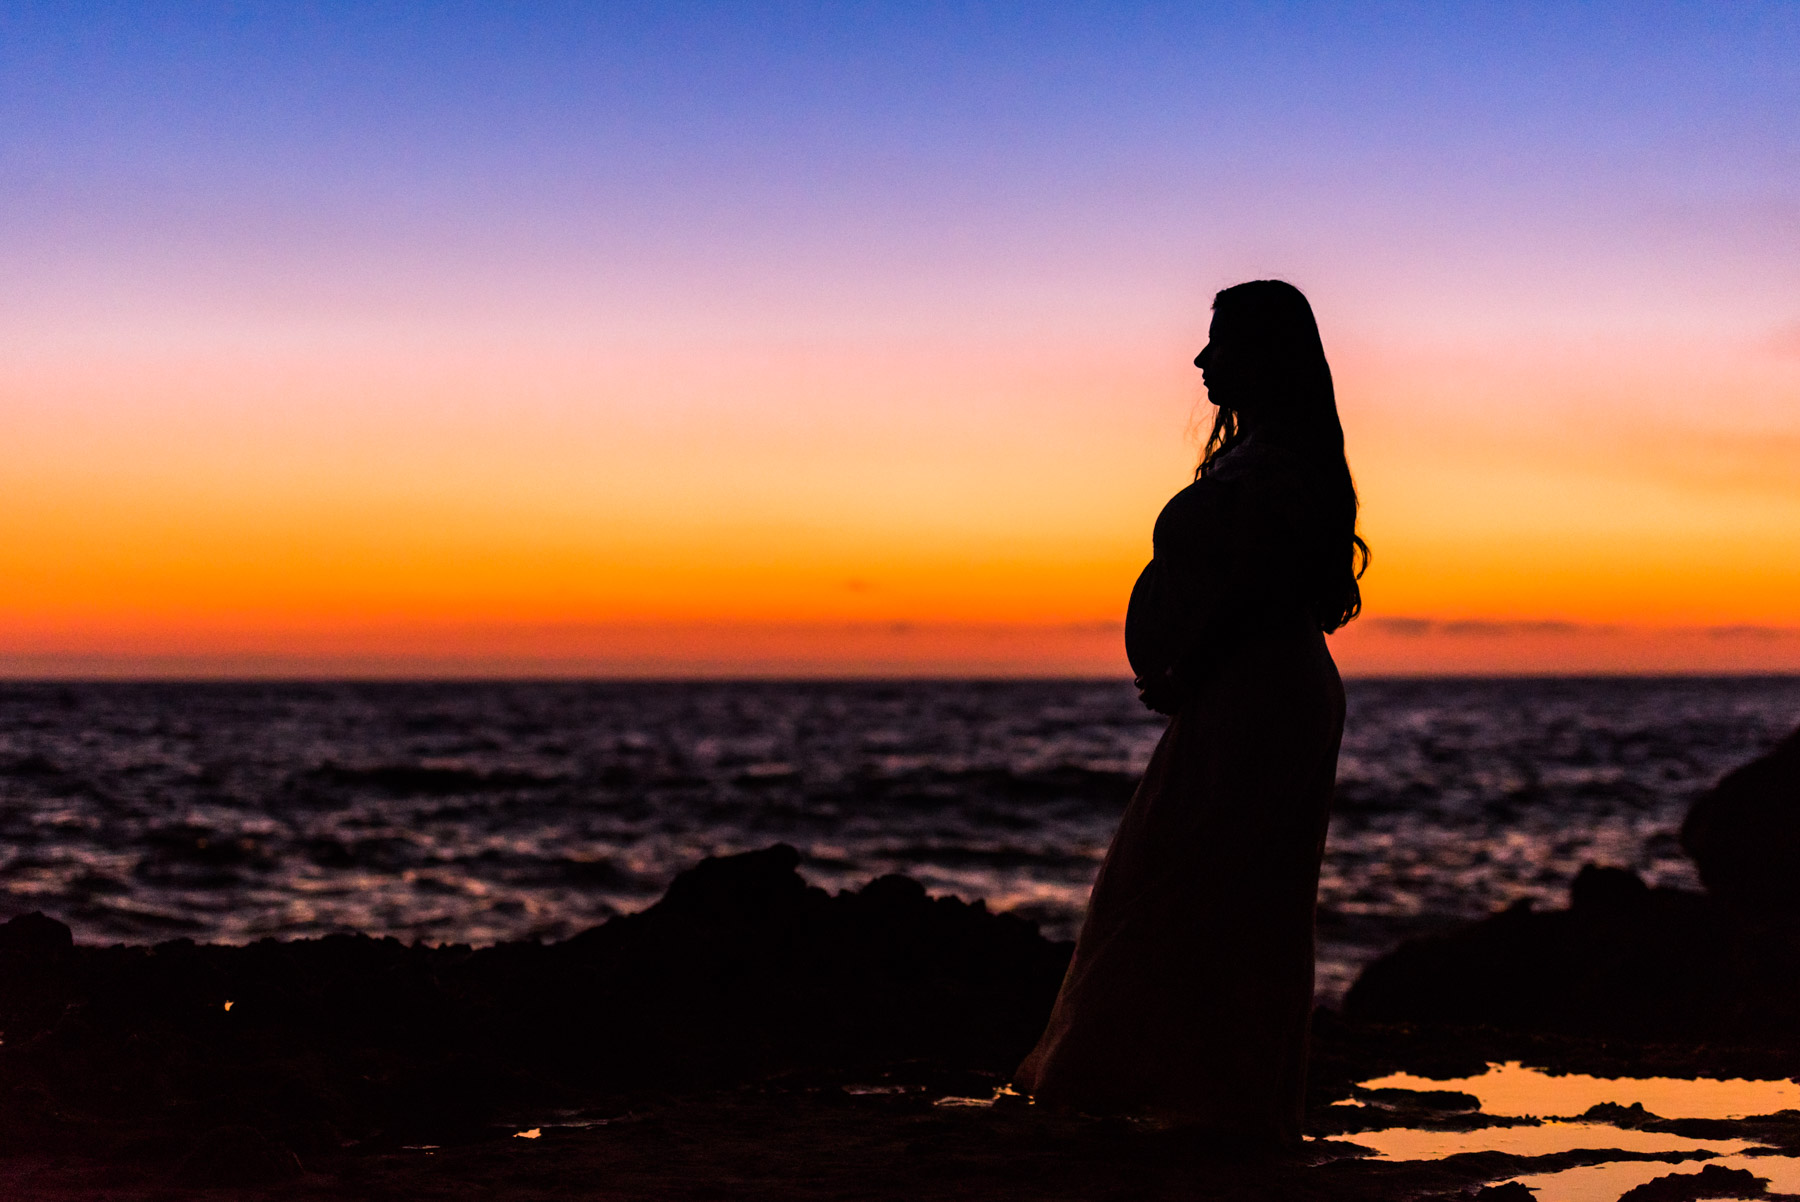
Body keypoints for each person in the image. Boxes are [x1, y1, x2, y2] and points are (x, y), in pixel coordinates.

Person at [1012, 279, 1367, 1146]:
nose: (1202, 358)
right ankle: (1193, 1090)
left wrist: (1190, 664)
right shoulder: (1276, 458)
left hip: (1257, 694)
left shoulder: (1284, 466)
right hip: (1249, 689)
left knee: (1198, 883)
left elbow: (1266, 590)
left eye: (1220, 342)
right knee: (1207, 883)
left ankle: (1171, 1092)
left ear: (1266, 354)